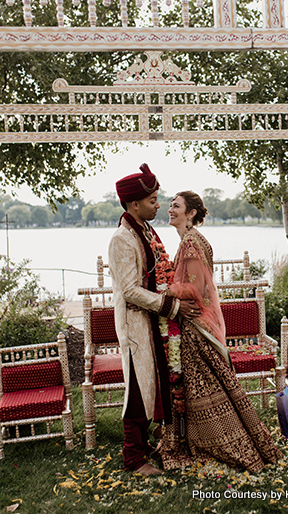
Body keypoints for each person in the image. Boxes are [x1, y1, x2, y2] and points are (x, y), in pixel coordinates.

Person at [160, 191, 282, 474]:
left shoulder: (190, 242)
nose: (170, 210)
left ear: (191, 214)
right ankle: (225, 439)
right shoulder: (193, 241)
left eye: (176, 206)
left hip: (194, 325)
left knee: (204, 391)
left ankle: (220, 442)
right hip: (196, 322)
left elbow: (195, 288)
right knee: (217, 388)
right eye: (170, 205)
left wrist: (163, 293)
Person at [108, 165, 201, 476]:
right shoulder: (123, 238)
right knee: (138, 390)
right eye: (153, 200)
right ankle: (133, 459)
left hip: (152, 324)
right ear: (135, 204)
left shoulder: (145, 230)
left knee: (152, 386)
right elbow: (130, 290)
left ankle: (145, 446)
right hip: (136, 326)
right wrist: (172, 307)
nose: (158, 205)